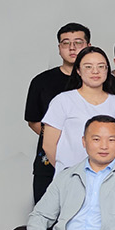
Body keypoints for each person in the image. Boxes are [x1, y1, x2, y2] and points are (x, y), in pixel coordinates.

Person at [25, 22, 88, 204]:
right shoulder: (41, 81)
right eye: (66, 43)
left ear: (88, 46)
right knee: (47, 214)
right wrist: (60, 141)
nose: (72, 48)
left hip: (90, 161)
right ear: (59, 48)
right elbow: (34, 120)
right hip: (48, 163)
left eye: (78, 42)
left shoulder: (98, 80)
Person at [41, 47, 115, 176]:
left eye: (101, 66)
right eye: (88, 67)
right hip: (70, 176)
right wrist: (67, 171)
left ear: (107, 70)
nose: (95, 71)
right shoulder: (63, 100)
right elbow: (48, 145)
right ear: (78, 70)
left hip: (107, 177)